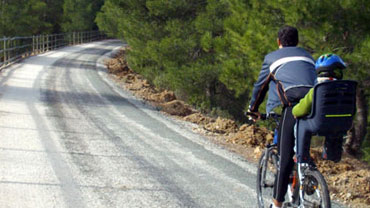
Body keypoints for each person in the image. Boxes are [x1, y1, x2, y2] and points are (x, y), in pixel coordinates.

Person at [248, 26, 317, 208]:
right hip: (315, 105)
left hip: (293, 106)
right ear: (297, 42)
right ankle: (308, 177)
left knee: (285, 157)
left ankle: (277, 204)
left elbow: (260, 87)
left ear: (279, 42)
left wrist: (252, 109)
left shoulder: (272, 58)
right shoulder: (309, 57)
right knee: (302, 150)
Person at [293, 53, 347, 163]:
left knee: (300, 123)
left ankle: (301, 157)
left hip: (319, 125)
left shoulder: (318, 90)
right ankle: (332, 158)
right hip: (342, 125)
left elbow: (300, 110)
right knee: (335, 127)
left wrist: (295, 111)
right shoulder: (345, 90)